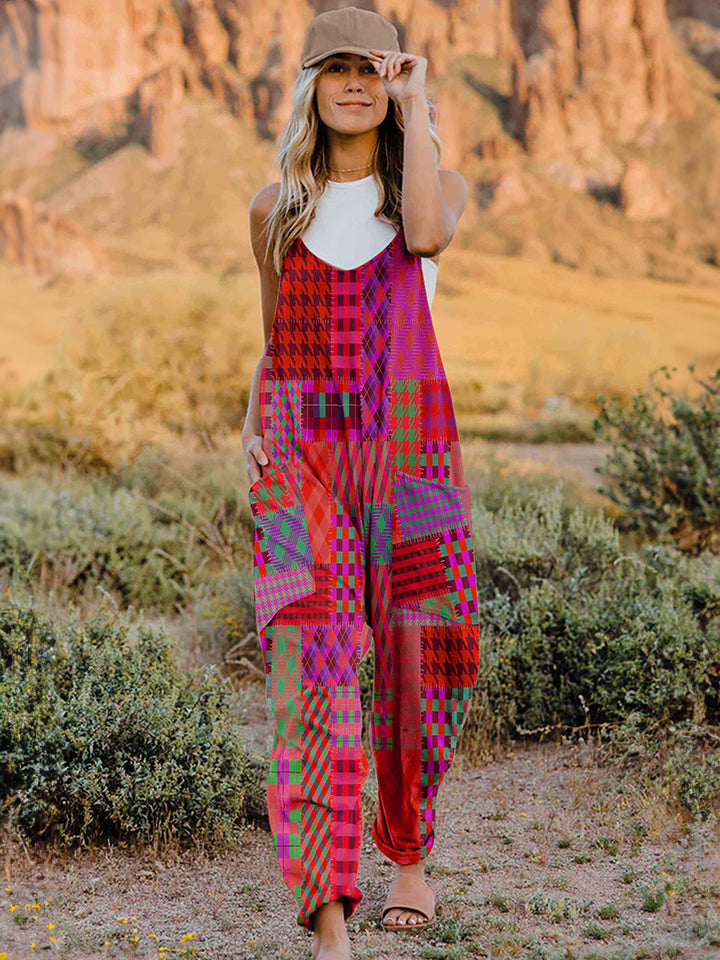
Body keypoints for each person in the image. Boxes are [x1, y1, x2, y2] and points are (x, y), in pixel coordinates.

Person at [242, 6, 480, 959]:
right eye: (332, 68)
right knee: (312, 662)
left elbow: (424, 237)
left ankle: (409, 855)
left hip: (413, 444)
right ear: (309, 86)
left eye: (369, 69)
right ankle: (328, 911)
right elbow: (269, 343)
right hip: (300, 448)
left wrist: (418, 105)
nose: (352, 83)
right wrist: (248, 425)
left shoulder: (433, 186)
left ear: (392, 81)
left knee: (425, 648)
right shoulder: (274, 207)